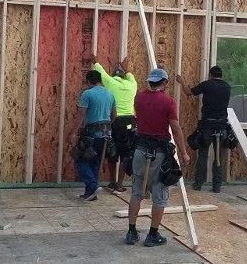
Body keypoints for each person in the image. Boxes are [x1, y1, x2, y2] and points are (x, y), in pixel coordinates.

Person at [126, 68, 191, 247]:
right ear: (165, 82)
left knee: (136, 192)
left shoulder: (139, 97)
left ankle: (131, 232)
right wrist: (184, 152)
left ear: (149, 81)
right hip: (159, 154)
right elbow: (176, 129)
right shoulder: (168, 102)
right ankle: (152, 235)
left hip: (140, 150)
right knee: (160, 195)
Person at [176, 66, 231, 193]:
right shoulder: (227, 87)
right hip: (222, 126)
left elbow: (189, 92)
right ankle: (217, 187)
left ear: (211, 75)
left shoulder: (207, 85)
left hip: (207, 126)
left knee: (203, 155)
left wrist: (182, 81)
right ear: (221, 75)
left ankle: (198, 184)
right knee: (218, 158)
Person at [92, 54, 137, 194]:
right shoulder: (132, 84)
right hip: (130, 122)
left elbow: (100, 71)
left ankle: (112, 181)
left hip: (116, 122)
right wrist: (125, 66)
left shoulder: (111, 83)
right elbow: (130, 74)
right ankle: (119, 183)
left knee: (112, 152)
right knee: (126, 154)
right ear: (124, 76)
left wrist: (95, 59)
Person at [75, 70, 117, 201]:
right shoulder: (110, 94)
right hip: (106, 136)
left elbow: (80, 116)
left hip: (91, 136)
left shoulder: (87, 94)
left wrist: (73, 132)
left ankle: (92, 185)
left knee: (80, 161)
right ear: (100, 80)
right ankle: (90, 193)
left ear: (88, 81)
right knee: (95, 162)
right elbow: (114, 115)